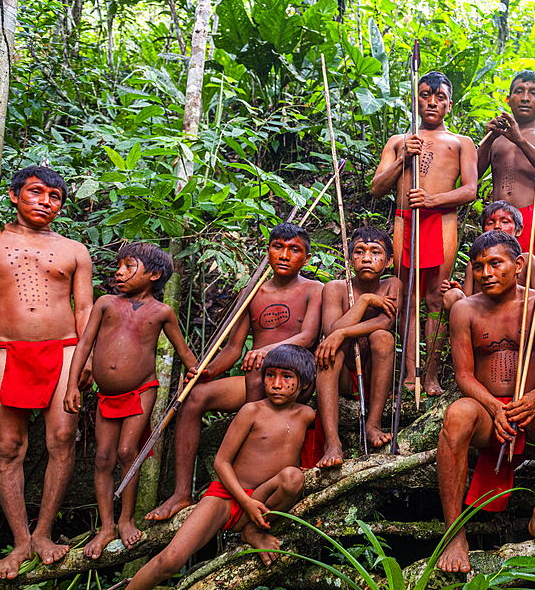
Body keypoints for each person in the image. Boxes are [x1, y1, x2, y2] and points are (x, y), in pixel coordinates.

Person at [106, 345, 314, 590]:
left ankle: (253, 532)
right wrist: (245, 500)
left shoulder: (307, 416)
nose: (276, 384)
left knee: (293, 478)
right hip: (226, 498)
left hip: (265, 500)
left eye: (287, 377)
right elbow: (221, 461)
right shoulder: (251, 410)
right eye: (270, 375)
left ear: (304, 383)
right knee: (170, 560)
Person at [0, 166, 93, 579]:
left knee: (63, 437)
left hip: (65, 347)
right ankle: (20, 542)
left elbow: (84, 308)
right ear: (14, 196)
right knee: (10, 444)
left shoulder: (74, 250)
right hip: (5, 347)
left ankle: (45, 533)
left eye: (54, 197)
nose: (44, 202)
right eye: (35, 192)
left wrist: (84, 360)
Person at [146, 222, 323, 521]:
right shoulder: (252, 292)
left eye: (294, 250)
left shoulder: (313, 290)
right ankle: (180, 493)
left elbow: (307, 337)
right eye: (278, 247)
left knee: (258, 368)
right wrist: (208, 371)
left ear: (305, 258)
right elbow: (232, 349)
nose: (284, 255)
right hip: (257, 375)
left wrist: (267, 352)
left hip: (294, 380)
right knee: (194, 397)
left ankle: (247, 481)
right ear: (268, 252)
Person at [437, 230, 535, 573]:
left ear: (518, 265)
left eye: (495, 263)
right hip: (490, 413)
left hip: (534, 412)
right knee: (457, 415)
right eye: (478, 266)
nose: (486, 273)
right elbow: (463, 376)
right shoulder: (463, 310)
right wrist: (493, 406)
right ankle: (453, 532)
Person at [63, 243, 199, 559]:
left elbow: (184, 351)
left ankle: (127, 519)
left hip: (142, 389)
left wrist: (196, 370)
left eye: (129, 266)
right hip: (105, 394)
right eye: (119, 266)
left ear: (153, 274)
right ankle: (106, 526)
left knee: (128, 451)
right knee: (103, 457)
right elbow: (84, 346)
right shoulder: (105, 303)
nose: (119, 273)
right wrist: (72, 386)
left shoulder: (162, 312)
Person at [371, 71, 478, 397]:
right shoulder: (399, 142)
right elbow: (377, 188)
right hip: (405, 220)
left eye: (440, 97)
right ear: (415, 98)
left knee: (435, 297)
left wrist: (433, 200)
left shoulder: (461, 143)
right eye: (425, 95)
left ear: (448, 103)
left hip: (442, 221)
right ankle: (409, 374)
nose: (432, 102)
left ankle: (429, 375)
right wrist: (403, 159)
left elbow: (470, 190)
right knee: (408, 296)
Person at [315, 227, 401, 466]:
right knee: (330, 351)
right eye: (359, 252)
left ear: (389, 261)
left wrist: (342, 331)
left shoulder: (392, 284)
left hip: (373, 374)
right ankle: (332, 443)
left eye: (376, 252)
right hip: (343, 376)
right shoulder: (335, 288)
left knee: (383, 337)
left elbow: (386, 321)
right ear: (350, 257)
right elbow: (331, 330)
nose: (366, 258)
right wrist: (364, 301)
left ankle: (373, 424)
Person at [476, 70, 535, 265]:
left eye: (534, 92)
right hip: (498, 217)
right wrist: (489, 139)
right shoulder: (496, 135)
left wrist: (520, 140)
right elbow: (473, 173)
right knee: (497, 274)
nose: (526, 98)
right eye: (520, 91)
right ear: (508, 99)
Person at [441, 201, 535, 312]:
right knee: (453, 295)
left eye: (505, 222)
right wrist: (459, 292)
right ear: (484, 230)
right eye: (490, 223)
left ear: (518, 230)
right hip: (482, 316)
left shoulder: (528, 260)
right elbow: (468, 300)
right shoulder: (474, 262)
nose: (497, 226)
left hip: (517, 317)